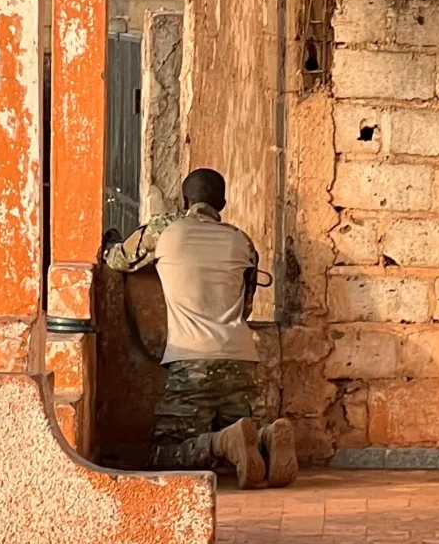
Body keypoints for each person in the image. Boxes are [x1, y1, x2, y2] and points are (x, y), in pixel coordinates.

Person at [101, 168, 297, 489]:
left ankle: (222, 443)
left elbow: (117, 259)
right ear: (223, 203)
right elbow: (246, 306)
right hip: (241, 360)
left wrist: (110, 240)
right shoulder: (243, 241)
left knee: (163, 455)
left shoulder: (164, 229)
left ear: (184, 200)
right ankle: (266, 439)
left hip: (191, 363)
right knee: (242, 429)